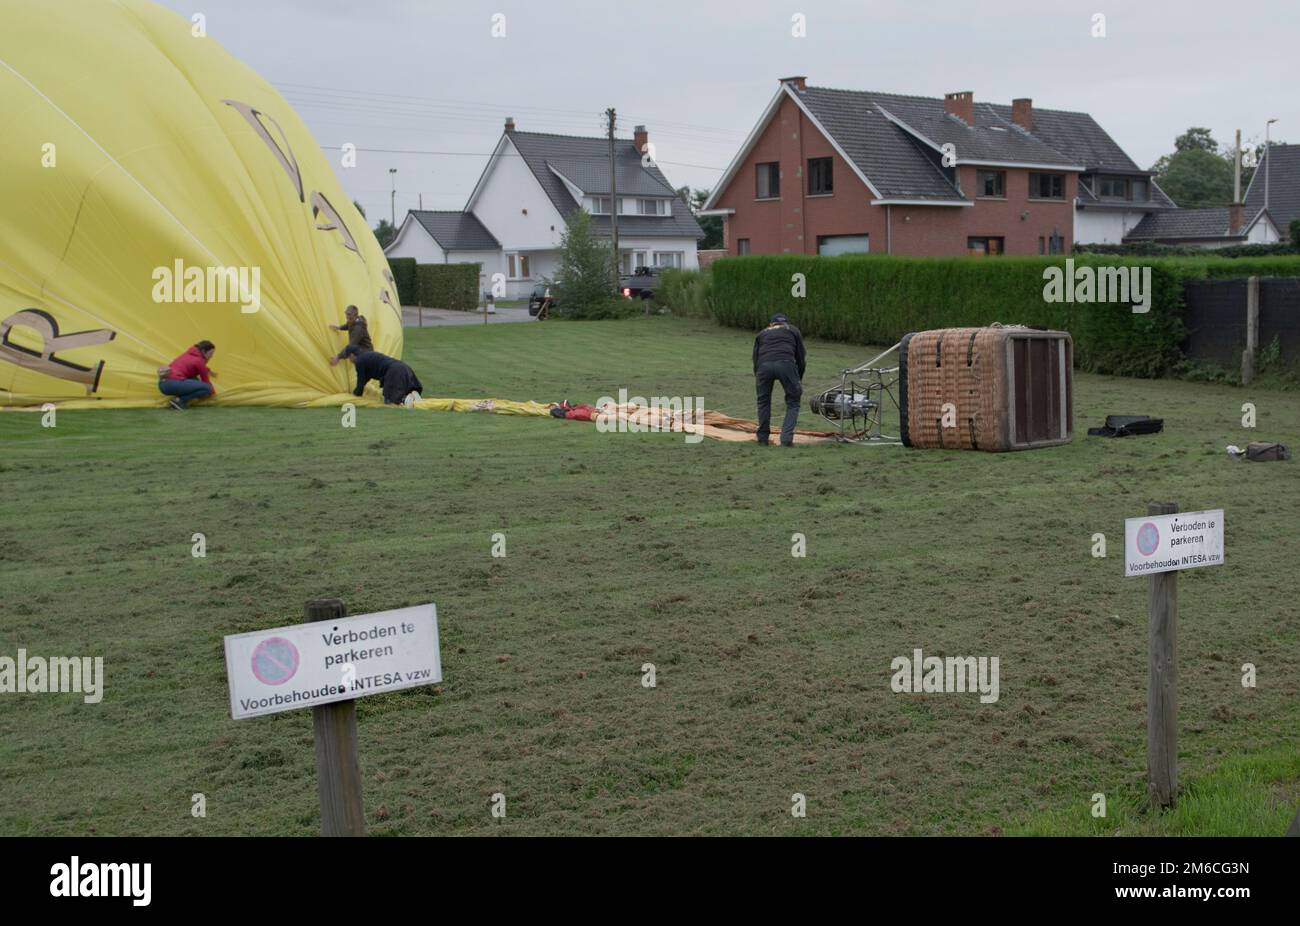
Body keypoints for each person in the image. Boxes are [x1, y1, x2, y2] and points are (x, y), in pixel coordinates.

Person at [752, 313, 806, 446]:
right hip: (786, 364)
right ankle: (786, 439)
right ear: (785, 323)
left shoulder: (762, 333)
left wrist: (758, 375)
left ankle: (762, 439)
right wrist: (798, 378)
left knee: (763, 402)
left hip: (763, 367)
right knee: (793, 402)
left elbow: (755, 358)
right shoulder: (793, 330)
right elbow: (800, 357)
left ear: (771, 324)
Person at [342, 345, 423, 407]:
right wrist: (357, 391)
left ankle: (405, 399)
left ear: (352, 355)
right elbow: (365, 379)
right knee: (400, 389)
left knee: (390, 400)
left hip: (393, 371)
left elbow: (361, 380)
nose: (350, 360)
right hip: (403, 367)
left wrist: (355, 395)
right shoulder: (366, 356)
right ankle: (412, 394)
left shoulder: (359, 361)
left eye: (349, 357)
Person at [159, 340, 218, 410]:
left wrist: (208, 371)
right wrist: (215, 396)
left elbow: (190, 364)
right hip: (173, 383)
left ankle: (178, 400)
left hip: (163, 384)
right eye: (210, 353)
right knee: (207, 389)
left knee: (195, 380)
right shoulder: (199, 360)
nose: (211, 356)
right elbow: (206, 381)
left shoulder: (188, 354)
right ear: (203, 351)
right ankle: (179, 401)